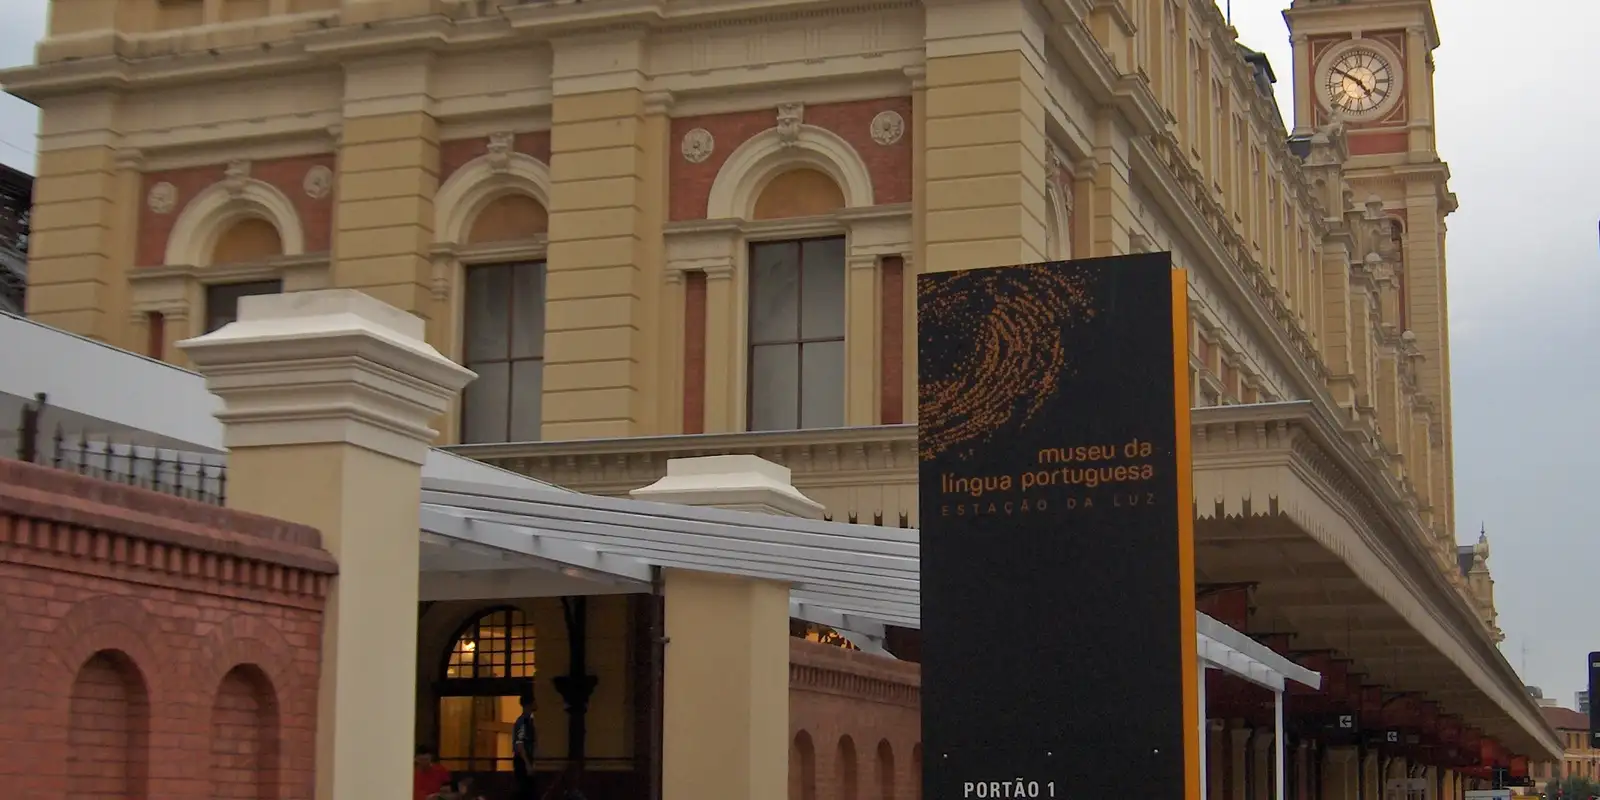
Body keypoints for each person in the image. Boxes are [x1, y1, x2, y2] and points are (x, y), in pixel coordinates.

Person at [512, 691, 539, 800]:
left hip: (527, 759)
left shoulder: (529, 721)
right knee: (525, 791)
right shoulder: (523, 722)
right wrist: (527, 764)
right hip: (523, 761)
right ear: (530, 703)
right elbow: (519, 743)